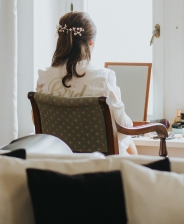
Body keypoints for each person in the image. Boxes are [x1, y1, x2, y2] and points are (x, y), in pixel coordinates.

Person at [36, 11, 138, 155]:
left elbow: (38, 121)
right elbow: (123, 126)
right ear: (90, 43)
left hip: (59, 157)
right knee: (131, 147)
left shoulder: (44, 76)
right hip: (97, 160)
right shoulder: (103, 77)